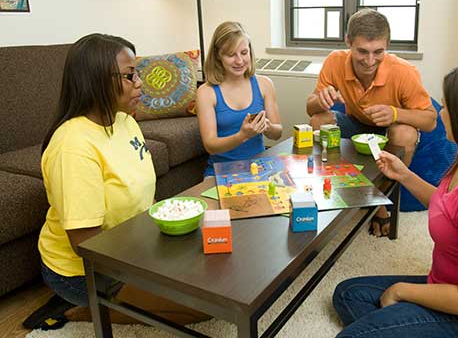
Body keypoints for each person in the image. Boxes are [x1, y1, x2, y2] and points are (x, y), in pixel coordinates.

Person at [332, 60, 458, 338]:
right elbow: (448, 206)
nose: (441, 115)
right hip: (445, 285)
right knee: (349, 294)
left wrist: (401, 291)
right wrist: (404, 175)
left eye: (446, 108)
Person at [26, 33, 209, 330]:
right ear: (96, 79)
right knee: (201, 305)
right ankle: (79, 310)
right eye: (129, 75)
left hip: (132, 247)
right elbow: (86, 244)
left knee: (211, 280)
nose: (140, 83)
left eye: (136, 73)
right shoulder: (73, 146)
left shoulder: (124, 120)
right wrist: (151, 266)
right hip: (83, 270)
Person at [306, 8, 437, 236]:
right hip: (356, 125)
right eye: (362, 51)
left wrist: (395, 114)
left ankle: (381, 204)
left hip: (390, 130)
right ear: (348, 42)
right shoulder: (335, 61)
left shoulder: (404, 72)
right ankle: (334, 190)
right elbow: (310, 108)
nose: (369, 61)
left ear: (387, 44)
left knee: (404, 133)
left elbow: (431, 120)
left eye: (378, 52)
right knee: (319, 119)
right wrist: (321, 100)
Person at [196, 21, 282, 175]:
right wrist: (242, 136)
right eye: (231, 55)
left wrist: (267, 127)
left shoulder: (265, 84)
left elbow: (278, 133)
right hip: (221, 172)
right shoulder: (206, 92)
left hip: (258, 169)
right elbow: (210, 145)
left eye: (244, 53)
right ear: (218, 56)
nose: (239, 61)